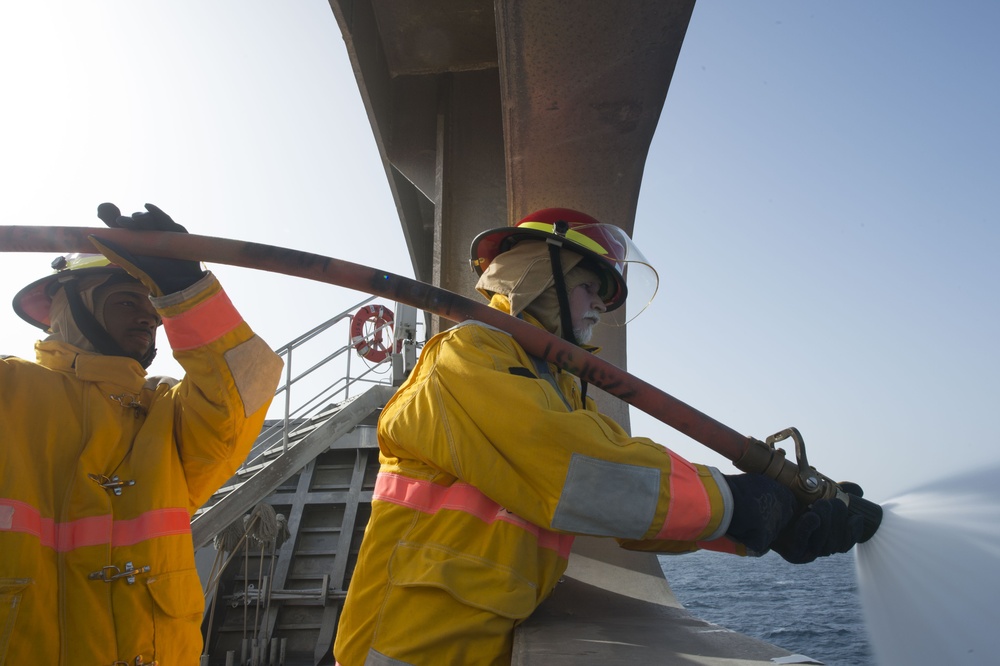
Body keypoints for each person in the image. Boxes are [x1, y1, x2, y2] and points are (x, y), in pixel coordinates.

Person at [332, 207, 864, 666]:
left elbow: (630, 492)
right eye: (591, 287)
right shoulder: (466, 360)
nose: (599, 308)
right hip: (405, 650)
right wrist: (736, 500)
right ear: (540, 274)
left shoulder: (558, 385)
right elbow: (583, 472)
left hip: (472, 644)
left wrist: (768, 526)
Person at [0, 203, 284, 665]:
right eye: (128, 302)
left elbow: (245, 391)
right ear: (71, 307)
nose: (148, 319)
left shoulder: (168, 413)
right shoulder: (9, 391)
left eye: (154, 307)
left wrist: (189, 294)